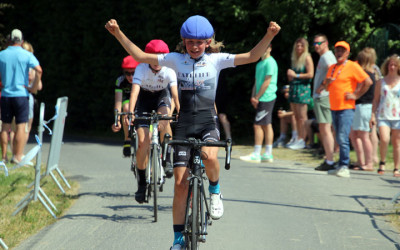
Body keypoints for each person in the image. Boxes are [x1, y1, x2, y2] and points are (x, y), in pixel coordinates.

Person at [105, 16, 280, 249]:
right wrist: (117, 33)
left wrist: (269, 35)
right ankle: (178, 240)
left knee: (208, 156)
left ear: (208, 42)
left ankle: (215, 191)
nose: (195, 47)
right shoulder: (175, 60)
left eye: (199, 42)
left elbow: (251, 56)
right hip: (185, 123)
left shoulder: (216, 60)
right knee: (179, 184)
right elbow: (139, 56)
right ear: (183, 42)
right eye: (189, 42)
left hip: (208, 122)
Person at [127, 39, 180, 202]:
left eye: (161, 56)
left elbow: (175, 94)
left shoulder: (169, 69)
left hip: (161, 96)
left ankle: (168, 159)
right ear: (147, 56)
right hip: (144, 98)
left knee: (165, 120)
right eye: (153, 56)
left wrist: (180, 110)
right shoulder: (141, 68)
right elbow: (134, 93)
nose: (157, 61)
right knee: (143, 142)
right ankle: (142, 184)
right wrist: (130, 112)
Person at [318, 41, 372, 178]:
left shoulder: (353, 66)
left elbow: (368, 82)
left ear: (348, 53)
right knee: (339, 136)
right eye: (337, 50)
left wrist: (356, 95)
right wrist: (327, 84)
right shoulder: (332, 67)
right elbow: (326, 88)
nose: (339, 53)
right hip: (334, 107)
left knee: (342, 137)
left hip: (346, 107)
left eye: (342, 50)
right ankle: (340, 165)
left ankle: (344, 166)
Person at [0, 29, 42, 164]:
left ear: (9, 41)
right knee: (20, 127)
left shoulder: (2, 54)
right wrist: (33, 88)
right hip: (21, 95)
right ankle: (17, 156)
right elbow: (39, 70)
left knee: (5, 127)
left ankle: (4, 157)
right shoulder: (26, 54)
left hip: (6, 94)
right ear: (22, 41)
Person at [240, 44, 278, 163]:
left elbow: (267, 82)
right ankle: (267, 154)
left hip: (267, 97)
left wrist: (257, 97)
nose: (264, 50)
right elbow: (257, 82)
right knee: (265, 125)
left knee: (258, 125)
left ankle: (258, 153)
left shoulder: (270, 62)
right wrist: (253, 97)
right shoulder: (259, 64)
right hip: (261, 97)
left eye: (266, 47)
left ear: (270, 48)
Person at [370, 54, 400, 176]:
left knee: (397, 142)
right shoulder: (380, 82)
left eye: (394, 65)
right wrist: (372, 115)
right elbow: (376, 100)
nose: (392, 67)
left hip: (398, 115)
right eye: (390, 64)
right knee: (384, 138)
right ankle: (382, 162)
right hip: (383, 114)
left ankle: (396, 167)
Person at [348, 48, 377, 171]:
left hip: (363, 106)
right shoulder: (371, 73)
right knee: (355, 135)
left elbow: (361, 87)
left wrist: (355, 95)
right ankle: (361, 161)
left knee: (363, 135)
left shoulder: (365, 74)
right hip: (362, 106)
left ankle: (368, 162)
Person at [312, 34, 337, 171]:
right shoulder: (325, 56)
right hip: (322, 96)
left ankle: (330, 160)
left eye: (318, 43)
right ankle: (329, 158)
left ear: (325, 43)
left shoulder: (327, 56)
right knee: (325, 128)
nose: (316, 46)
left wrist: (322, 86)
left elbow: (332, 70)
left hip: (323, 97)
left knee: (325, 128)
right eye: (314, 43)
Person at [286, 37, 314, 150]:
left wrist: (296, 75)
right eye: (297, 45)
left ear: (305, 47)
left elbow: (311, 74)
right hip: (294, 88)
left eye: (301, 45)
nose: (299, 47)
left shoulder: (307, 58)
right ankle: (298, 138)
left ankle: (304, 139)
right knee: (296, 116)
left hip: (303, 89)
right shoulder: (295, 58)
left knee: (302, 117)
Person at [111, 55, 139, 157]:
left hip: (140, 100)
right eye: (127, 73)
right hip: (127, 100)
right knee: (126, 108)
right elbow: (118, 101)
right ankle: (127, 139)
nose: (131, 77)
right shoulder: (120, 80)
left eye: (133, 73)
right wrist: (117, 119)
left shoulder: (143, 77)